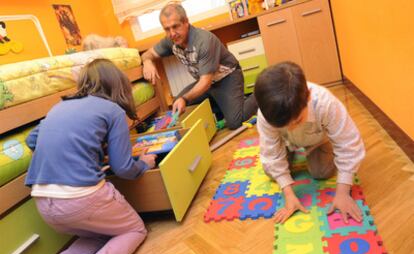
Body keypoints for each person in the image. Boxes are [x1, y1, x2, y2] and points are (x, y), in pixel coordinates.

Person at [26, 59, 156, 254]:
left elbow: (32, 140)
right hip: (81, 199)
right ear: (118, 84)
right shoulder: (112, 109)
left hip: (43, 202)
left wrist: (84, 151)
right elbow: (123, 168)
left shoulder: (59, 106)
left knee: (99, 232)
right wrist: (143, 164)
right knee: (134, 229)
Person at [254, 61, 365, 224]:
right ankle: (290, 153)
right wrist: (289, 195)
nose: (291, 129)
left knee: (322, 172)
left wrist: (343, 193)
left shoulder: (326, 104)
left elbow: (349, 144)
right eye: (284, 126)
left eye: (297, 121)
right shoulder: (265, 115)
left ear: (309, 97)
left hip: (316, 141)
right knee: (271, 171)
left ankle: (313, 152)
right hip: (285, 143)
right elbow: (271, 153)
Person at [141, 3, 257, 130]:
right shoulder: (170, 41)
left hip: (227, 78)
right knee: (176, 105)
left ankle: (260, 92)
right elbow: (148, 54)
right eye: (167, 29)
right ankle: (225, 105)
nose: (172, 33)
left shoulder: (204, 41)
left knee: (235, 122)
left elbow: (205, 82)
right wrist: (147, 62)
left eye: (175, 26)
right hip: (207, 82)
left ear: (186, 22)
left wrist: (184, 99)